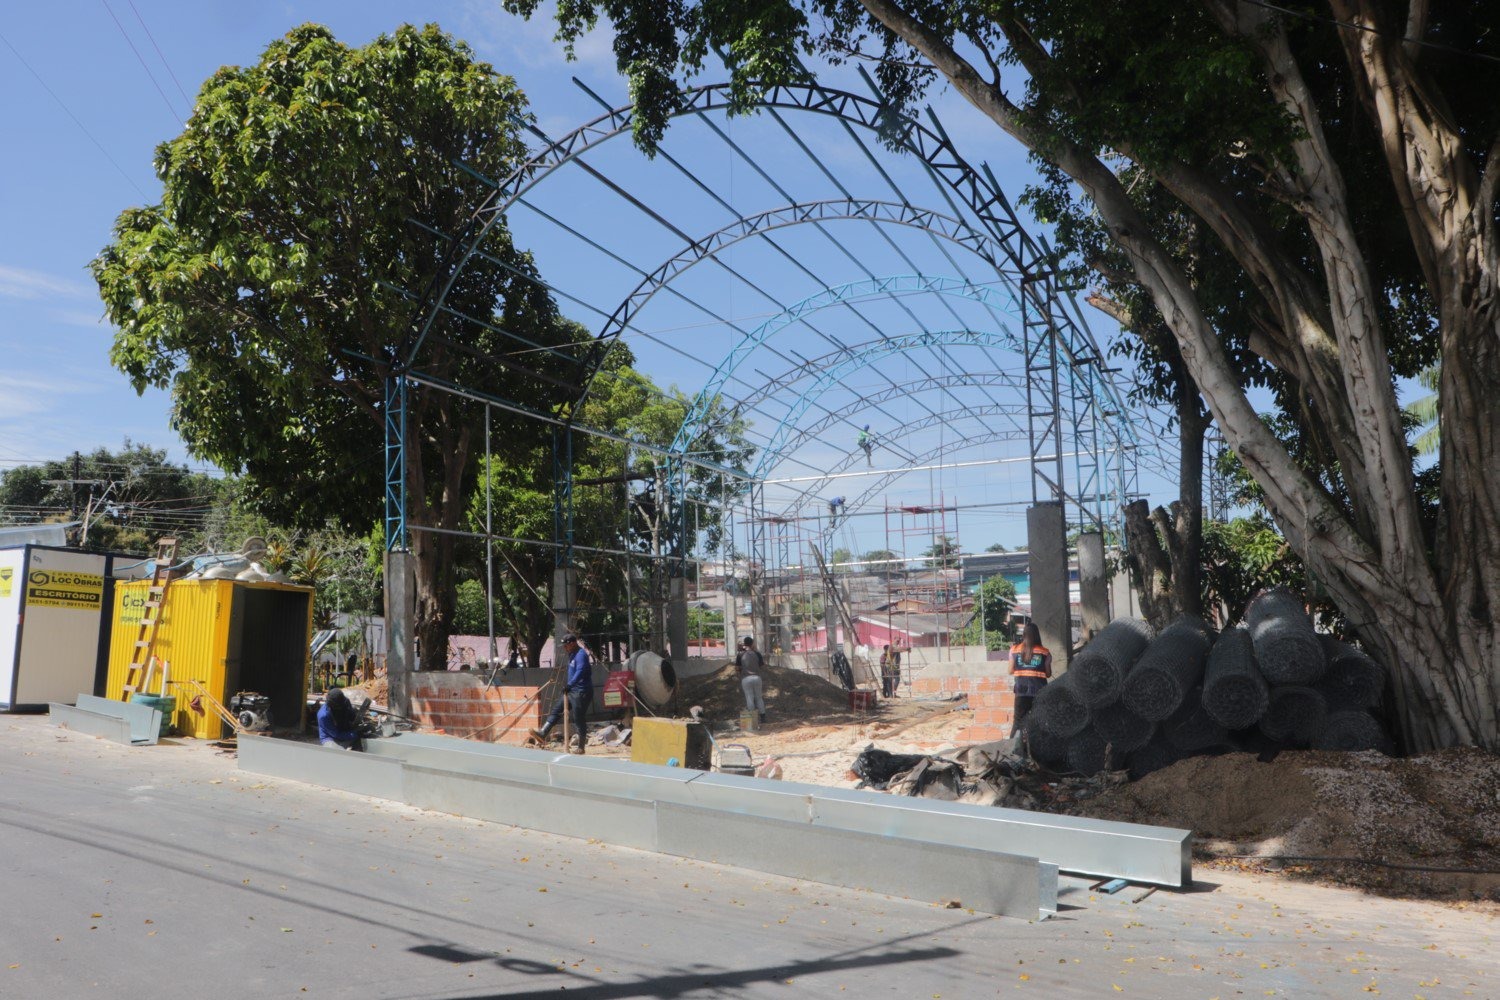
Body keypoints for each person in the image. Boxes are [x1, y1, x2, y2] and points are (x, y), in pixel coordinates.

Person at [531, 633, 593, 753]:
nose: (565, 648)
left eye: (566, 645)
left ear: (573, 643)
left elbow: (580, 671)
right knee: (557, 710)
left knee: (578, 718)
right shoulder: (572, 654)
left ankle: (581, 747)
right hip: (572, 691)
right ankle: (543, 732)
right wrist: (569, 686)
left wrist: (570, 684)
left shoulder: (581, 655)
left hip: (581, 691)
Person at [1009, 622, 1052, 738]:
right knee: (1039, 722)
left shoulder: (1014, 650)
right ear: (1037, 635)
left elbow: (1010, 670)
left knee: (1017, 722)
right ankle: (1039, 749)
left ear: (1023, 635)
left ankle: (1012, 748)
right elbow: (1048, 674)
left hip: (1021, 692)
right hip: (1039, 692)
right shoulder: (1045, 652)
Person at [736, 636, 766, 723]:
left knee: (749, 698)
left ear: (745, 644)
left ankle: (752, 721)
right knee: (759, 698)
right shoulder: (757, 654)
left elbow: (737, 668)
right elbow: (762, 666)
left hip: (746, 678)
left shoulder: (740, 654)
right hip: (757, 678)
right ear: (752, 643)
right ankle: (763, 718)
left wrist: (739, 673)